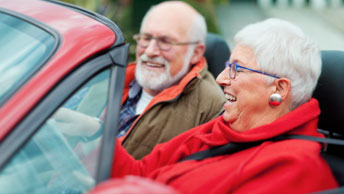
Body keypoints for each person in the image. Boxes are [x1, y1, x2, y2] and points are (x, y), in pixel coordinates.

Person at [108, 18, 338, 194]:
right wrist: (95, 133)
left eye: (236, 69)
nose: (220, 78)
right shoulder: (220, 128)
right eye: (228, 66)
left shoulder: (295, 168)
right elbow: (137, 173)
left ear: (278, 89)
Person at [118, 1, 225, 159]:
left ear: (196, 52)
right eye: (146, 38)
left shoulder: (210, 110)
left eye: (165, 42)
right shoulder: (113, 79)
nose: (150, 51)